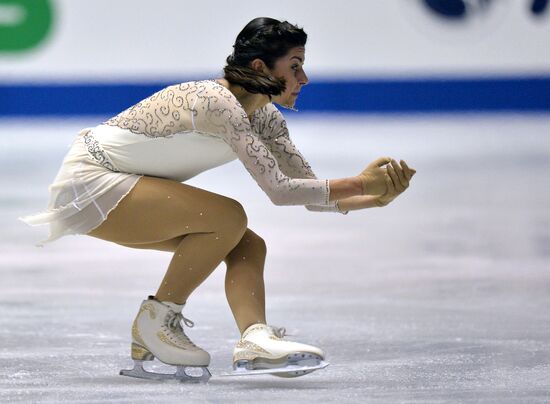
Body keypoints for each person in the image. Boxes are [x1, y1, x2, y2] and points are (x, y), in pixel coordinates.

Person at [19, 17, 416, 381]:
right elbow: (278, 192)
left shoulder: (266, 118)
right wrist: (361, 183)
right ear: (261, 68)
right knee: (227, 216)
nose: (305, 78)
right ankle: (158, 320)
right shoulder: (216, 102)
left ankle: (255, 339)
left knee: (247, 244)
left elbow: (309, 193)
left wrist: (374, 197)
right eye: (294, 66)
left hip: (129, 183)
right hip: (94, 181)